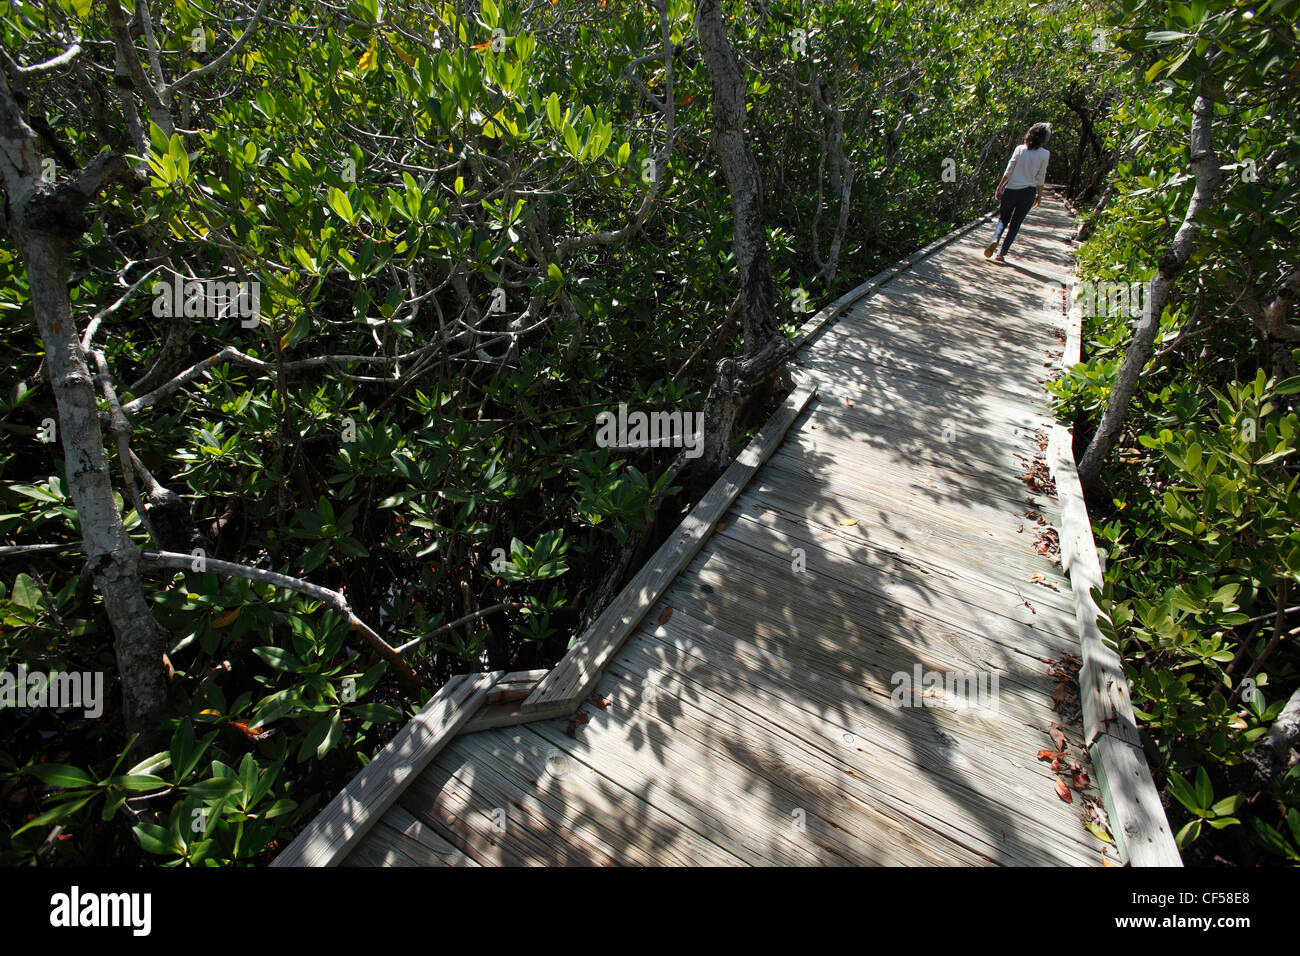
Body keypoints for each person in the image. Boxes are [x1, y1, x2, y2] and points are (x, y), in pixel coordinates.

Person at [985, 123, 1051, 262]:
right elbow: (1040, 177)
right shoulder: (1045, 154)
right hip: (1028, 193)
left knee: (1003, 219)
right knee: (1016, 223)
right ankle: (1002, 253)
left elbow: (1009, 170)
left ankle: (996, 238)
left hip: (1011, 190)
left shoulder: (1020, 149)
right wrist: (1039, 195)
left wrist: (1000, 187)